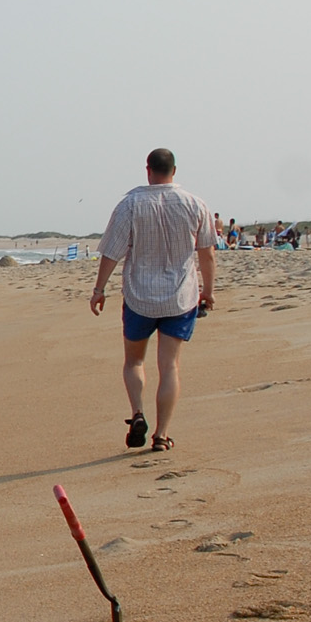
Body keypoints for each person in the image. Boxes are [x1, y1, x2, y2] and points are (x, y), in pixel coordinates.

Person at [89, 147, 218, 454]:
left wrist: (99, 289)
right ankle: (161, 435)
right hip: (180, 296)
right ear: (174, 170)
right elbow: (207, 253)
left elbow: (112, 252)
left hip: (139, 297)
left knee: (134, 360)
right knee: (169, 366)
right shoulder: (194, 203)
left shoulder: (130, 204)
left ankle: (137, 413)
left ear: (147, 170)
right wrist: (209, 291)